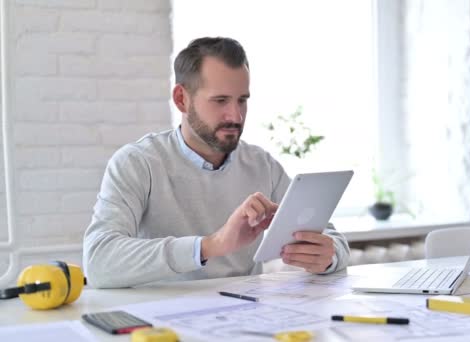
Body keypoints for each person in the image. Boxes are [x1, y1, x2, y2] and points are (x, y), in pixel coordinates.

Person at [83, 37, 350, 288]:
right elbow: (98, 262)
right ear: (181, 99)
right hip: (161, 324)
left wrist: (328, 256)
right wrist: (210, 246)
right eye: (220, 100)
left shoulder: (261, 164)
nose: (235, 115)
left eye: (242, 100)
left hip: (244, 316)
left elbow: (332, 238)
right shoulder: (137, 163)